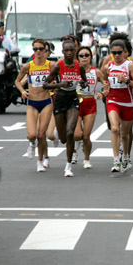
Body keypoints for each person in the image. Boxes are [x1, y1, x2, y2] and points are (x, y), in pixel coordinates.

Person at [101, 40, 133, 173]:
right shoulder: (108, 66)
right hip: (112, 101)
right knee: (115, 128)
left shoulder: (131, 66)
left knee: (125, 134)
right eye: (114, 53)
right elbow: (105, 79)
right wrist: (105, 88)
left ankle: (126, 158)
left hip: (127, 103)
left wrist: (127, 81)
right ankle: (116, 160)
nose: (116, 55)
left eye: (119, 52)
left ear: (124, 53)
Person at [43, 40, 89, 177]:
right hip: (60, 99)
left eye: (71, 51)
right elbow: (45, 84)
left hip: (73, 99)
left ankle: (68, 166)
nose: (69, 53)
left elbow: (85, 82)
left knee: (70, 133)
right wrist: (60, 84)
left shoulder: (79, 67)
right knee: (63, 138)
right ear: (63, 52)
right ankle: (58, 131)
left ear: (75, 52)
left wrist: (83, 82)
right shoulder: (58, 66)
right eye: (66, 51)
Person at [14, 39, 53, 172]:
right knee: (32, 135)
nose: (38, 52)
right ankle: (31, 144)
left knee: (41, 135)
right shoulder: (28, 66)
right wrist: (23, 91)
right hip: (32, 103)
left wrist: (55, 87)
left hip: (46, 102)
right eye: (35, 49)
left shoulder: (51, 65)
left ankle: (40, 161)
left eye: (41, 49)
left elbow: (59, 79)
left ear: (45, 50)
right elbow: (17, 81)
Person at [74, 47, 107, 169]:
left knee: (86, 136)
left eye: (86, 55)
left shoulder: (96, 72)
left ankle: (86, 159)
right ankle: (74, 150)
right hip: (76, 104)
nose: (84, 58)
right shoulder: (74, 70)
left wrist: (102, 93)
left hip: (90, 104)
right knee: (77, 135)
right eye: (81, 55)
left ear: (90, 57)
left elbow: (106, 84)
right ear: (77, 57)